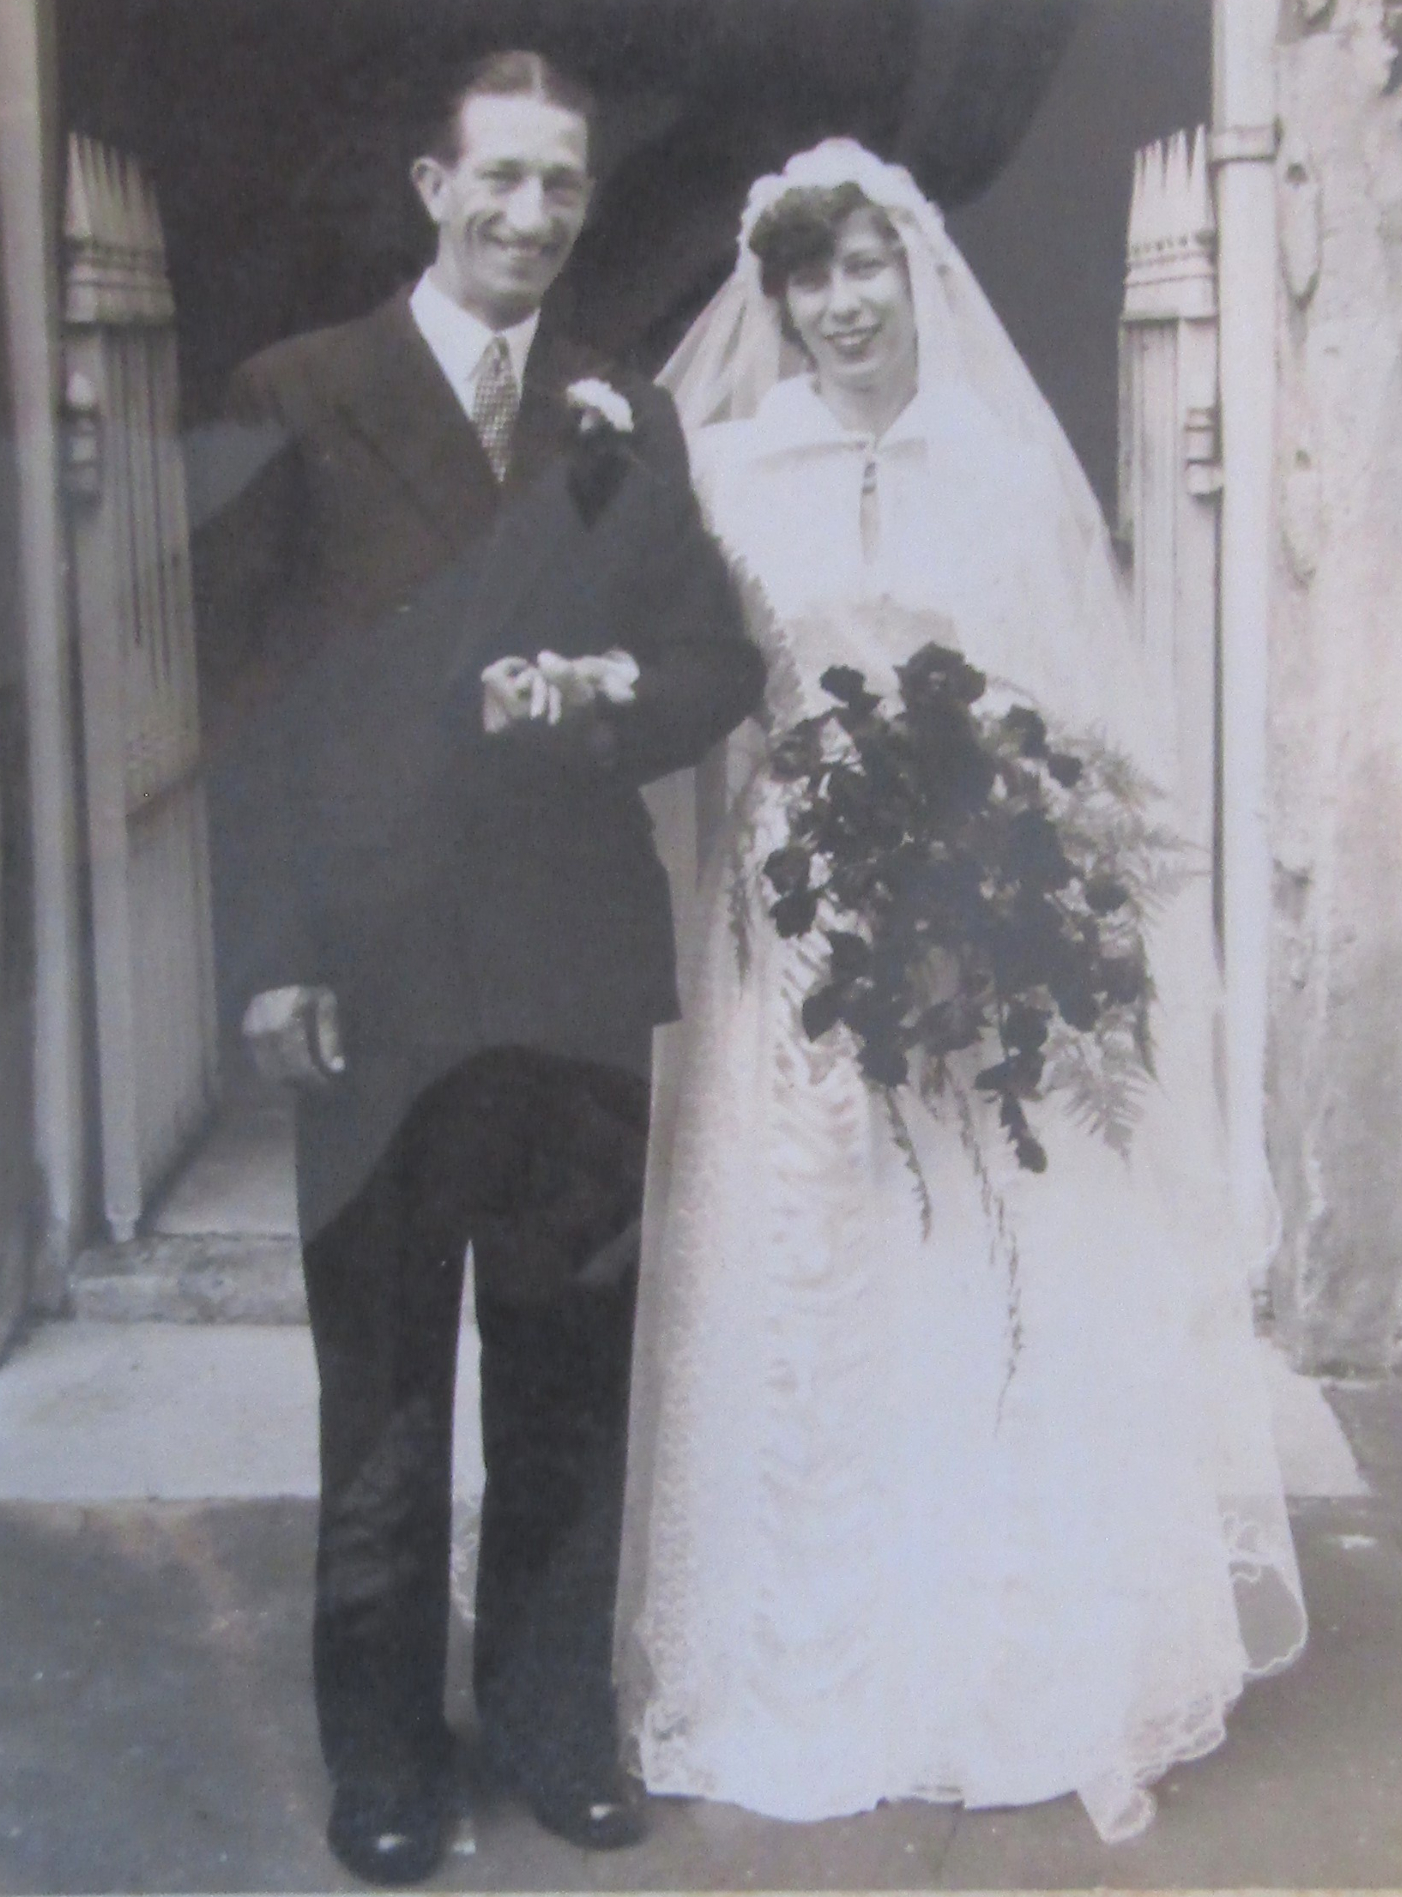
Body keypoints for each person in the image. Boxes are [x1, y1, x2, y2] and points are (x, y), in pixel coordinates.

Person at [616, 140, 1307, 1846]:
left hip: (973, 904)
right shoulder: (731, 464)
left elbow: (1073, 718)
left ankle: (1001, 1652)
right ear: (770, 299)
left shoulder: (999, 465)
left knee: (981, 1241)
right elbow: (706, 678)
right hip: (789, 919)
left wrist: (1011, 899)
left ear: (916, 270)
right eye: (805, 275)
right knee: (813, 1243)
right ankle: (802, 1646)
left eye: (866, 263)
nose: (840, 303)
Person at [194, 51, 762, 1886]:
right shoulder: (302, 393)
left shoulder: (618, 411)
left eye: (562, 191)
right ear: (434, 189)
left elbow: (711, 665)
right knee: (379, 1401)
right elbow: (242, 706)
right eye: (500, 181)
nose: (531, 218)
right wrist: (267, 958)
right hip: (372, 981)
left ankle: (546, 1728)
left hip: (571, 971)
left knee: (563, 1380)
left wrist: (612, 701)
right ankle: (384, 1757)